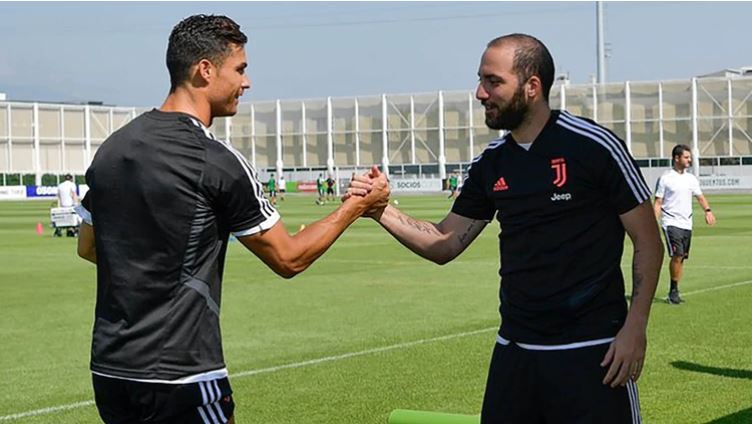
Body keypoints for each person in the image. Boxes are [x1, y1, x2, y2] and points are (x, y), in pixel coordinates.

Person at [74, 15, 388, 424]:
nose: (247, 82)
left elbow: (89, 246)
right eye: (240, 69)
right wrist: (356, 206)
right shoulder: (215, 161)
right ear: (205, 70)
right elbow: (288, 258)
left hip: (111, 371)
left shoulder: (113, 149)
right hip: (184, 375)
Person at [347, 33, 663, 423]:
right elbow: (445, 243)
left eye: (493, 81)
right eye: (480, 80)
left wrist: (636, 327)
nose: (480, 93)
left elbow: (648, 241)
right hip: (515, 351)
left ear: (532, 87)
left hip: (593, 350)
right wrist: (380, 210)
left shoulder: (594, 147)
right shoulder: (491, 164)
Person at [653, 144, 715, 305]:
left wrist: (708, 211)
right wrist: (653, 223)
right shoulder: (666, 178)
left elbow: (700, 197)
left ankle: (674, 289)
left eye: (689, 157)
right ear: (676, 158)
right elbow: (658, 202)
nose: (689, 160)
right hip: (671, 222)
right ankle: (673, 291)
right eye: (686, 157)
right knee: (677, 254)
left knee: (681, 259)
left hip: (687, 223)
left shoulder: (691, 178)